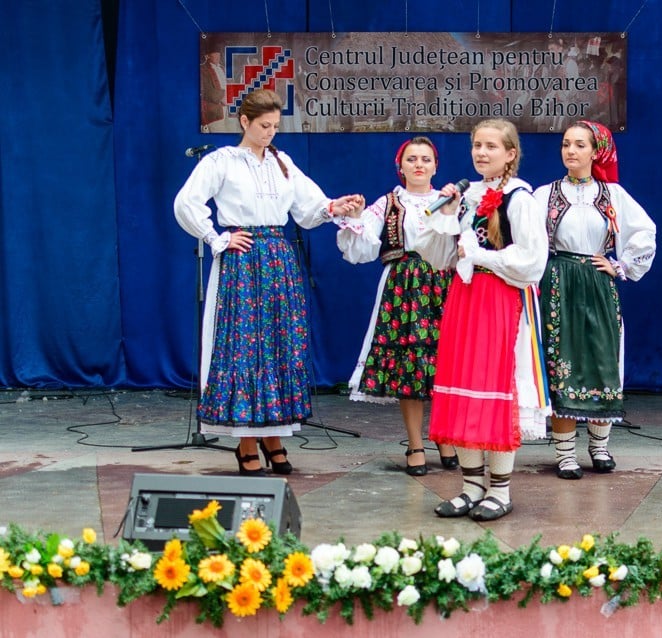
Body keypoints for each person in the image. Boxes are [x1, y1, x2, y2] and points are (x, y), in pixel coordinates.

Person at [173, 88, 365, 476]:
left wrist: (334, 208)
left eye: (275, 126)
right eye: (263, 126)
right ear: (244, 122)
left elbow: (309, 209)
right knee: (244, 347)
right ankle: (246, 441)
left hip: (278, 256)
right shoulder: (222, 161)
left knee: (278, 344)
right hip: (243, 259)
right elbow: (186, 203)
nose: (270, 133)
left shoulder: (282, 162)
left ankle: (273, 437)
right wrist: (217, 238)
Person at [416, 119, 550, 521]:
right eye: (477, 145)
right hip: (466, 298)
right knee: (464, 387)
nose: (481, 153)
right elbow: (439, 255)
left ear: (510, 154)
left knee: (496, 388)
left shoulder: (519, 198)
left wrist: (482, 256)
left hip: (502, 300)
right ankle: (471, 485)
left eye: (491, 146)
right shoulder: (467, 195)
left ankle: (501, 490)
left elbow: (532, 261)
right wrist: (445, 217)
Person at [533, 120, 656, 480]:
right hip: (559, 283)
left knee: (603, 359)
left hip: (598, 285)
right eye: (566, 144)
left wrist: (621, 266)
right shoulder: (545, 195)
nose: (570, 151)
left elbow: (644, 231)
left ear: (595, 151)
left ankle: (600, 447)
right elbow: (526, 235)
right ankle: (565, 454)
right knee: (563, 363)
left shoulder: (613, 195)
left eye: (579, 145)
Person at [334, 136, 459, 475]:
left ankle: (444, 436)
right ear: (400, 166)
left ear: (436, 165)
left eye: (426, 159)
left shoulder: (451, 201)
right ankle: (415, 443)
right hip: (404, 287)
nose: (419, 164)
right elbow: (360, 250)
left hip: (444, 285)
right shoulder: (387, 204)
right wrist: (357, 218)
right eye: (412, 159)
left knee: (445, 365)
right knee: (411, 367)